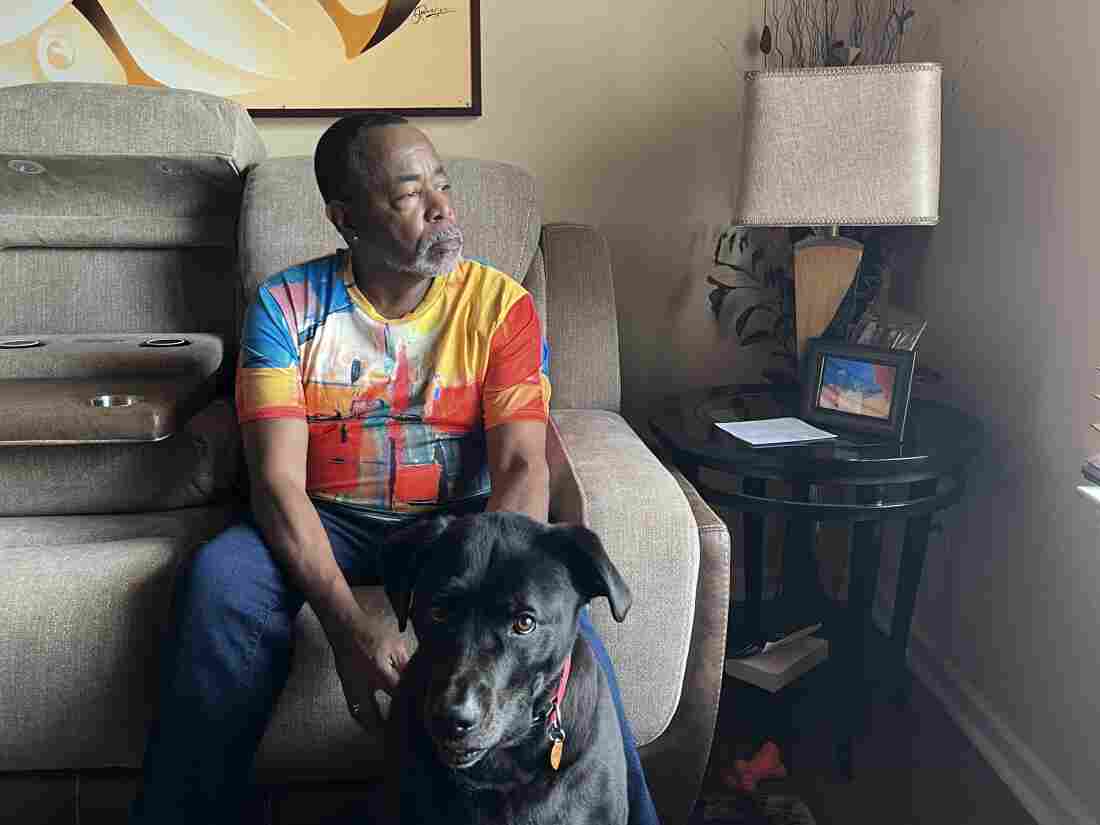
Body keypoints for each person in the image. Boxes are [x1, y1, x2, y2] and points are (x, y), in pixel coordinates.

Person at [130, 113, 659, 824]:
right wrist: (349, 628)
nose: (442, 207)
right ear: (345, 218)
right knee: (220, 580)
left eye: (442, 184)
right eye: (410, 194)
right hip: (332, 517)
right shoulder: (283, 309)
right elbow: (278, 483)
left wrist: (501, 589)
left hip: (460, 525)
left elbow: (522, 462)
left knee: (565, 632)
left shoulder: (503, 308)